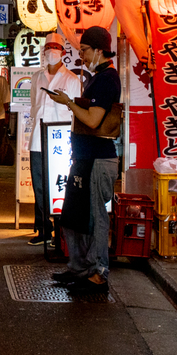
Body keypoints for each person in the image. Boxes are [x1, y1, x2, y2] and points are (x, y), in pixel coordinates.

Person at [46, 26, 122, 295]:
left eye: (86, 50)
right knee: (74, 215)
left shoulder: (107, 79)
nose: (82, 55)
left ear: (99, 50)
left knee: (95, 218)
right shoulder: (96, 77)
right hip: (84, 158)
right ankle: (79, 268)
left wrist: (68, 102)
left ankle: (99, 273)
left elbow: (92, 119)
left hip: (98, 159)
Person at [26, 33, 81, 245]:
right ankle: (42, 229)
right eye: (48, 47)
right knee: (39, 185)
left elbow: (76, 111)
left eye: (55, 47)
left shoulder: (71, 79)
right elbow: (33, 105)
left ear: (63, 52)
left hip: (62, 141)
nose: (51, 50)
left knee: (61, 184)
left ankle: (61, 230)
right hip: (39, 140)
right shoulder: (36, 77)